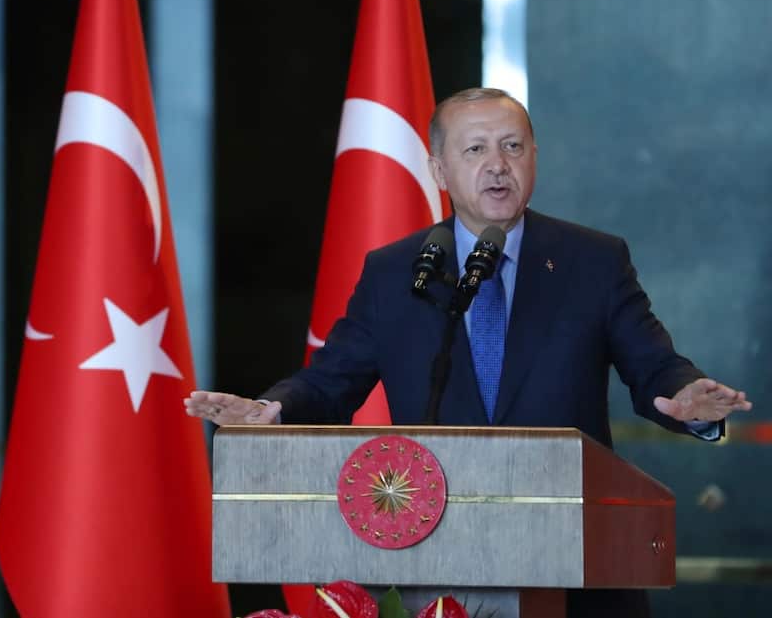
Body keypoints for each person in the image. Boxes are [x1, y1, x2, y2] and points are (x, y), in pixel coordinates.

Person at [185, 88, 752, 618]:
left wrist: (686, 398)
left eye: (512, 146)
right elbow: (332, 381)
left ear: (535, 156)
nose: (498, 164)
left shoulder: (593, 262)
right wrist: (274, 410)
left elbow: (653, 364)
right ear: (439, 170)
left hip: (576, 570)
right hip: (436, 562)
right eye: (475, 149)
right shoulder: (396, 272)